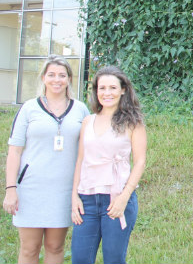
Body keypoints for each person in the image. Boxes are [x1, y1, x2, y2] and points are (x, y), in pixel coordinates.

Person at [3, 55, 90, 264]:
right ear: (43, 78)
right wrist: (10, 189)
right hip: (31, 189)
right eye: (51, 75)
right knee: (29, 249)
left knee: (55, 247)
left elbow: (88, 150)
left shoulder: (80, 109)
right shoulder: (29, 108)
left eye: (62, 75)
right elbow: (14, 151)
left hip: (64, 191)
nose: (56, 80)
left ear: (69, 78)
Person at [71, 66, 147, 264]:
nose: (107, 93)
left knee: (113, 259)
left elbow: (139, 162)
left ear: (123, 90)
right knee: (80, 259)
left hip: (116, 199)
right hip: (86, 201)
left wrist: (124, 197)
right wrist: (74, 197)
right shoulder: (88, 121)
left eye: (112, 88)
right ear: (96, 91)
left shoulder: (133, 123)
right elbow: (80, 160)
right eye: (102, 88)